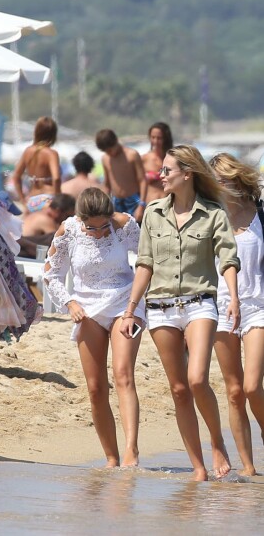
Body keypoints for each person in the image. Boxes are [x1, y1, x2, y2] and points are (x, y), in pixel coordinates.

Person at [120, 144, 240, 481]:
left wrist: (233, 297)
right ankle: (198, 467)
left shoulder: (214, 213)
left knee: (197, 378)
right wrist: (131, 309)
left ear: (187, 173)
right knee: (178, 389)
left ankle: (217, 442)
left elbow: (228, 259)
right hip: (160, 308)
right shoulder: (154, 214)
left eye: (167, 170)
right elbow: (145, 264)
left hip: (201, 302)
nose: (161, 176)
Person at [44, 188, 144, 467]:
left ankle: (130, 451)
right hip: (87, 311)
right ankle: (111, 458)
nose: (100, 232)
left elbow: (149, 259)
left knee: (124, 374)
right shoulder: (69, 230)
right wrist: (70, 303)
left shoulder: (124, 224)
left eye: (104, 226)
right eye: (93, 228)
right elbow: (50, 274)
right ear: (80, 219)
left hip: (127, 306)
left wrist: (136, 304)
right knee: (96, 387)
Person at [209, 153, 264, 476]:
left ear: (237, 179)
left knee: (251, 386)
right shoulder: (208, 217)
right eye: (214, 181)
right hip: (220, 308)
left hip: (257, 306)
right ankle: (248, 468)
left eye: (224, 179)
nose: (219, 186)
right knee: (233, 390)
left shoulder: (259, 214)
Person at [11, 116, 62, 214]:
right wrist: (59, 200)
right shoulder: (51, 153)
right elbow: (56, 178)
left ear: (36, 132)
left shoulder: (28, 151)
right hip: (48, 199)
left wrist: (22, 199)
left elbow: (16, 176)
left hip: (32, 201)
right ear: (53, 134)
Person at [96, 129, 147, 223]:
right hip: (116, 202)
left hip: (134, 200)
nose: (109, 153)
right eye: (106, 151)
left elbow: (142, 180)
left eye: (110, 149)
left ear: (116, 141)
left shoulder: (132, 155)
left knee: (138, 231)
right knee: (119, 233)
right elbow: (107, 184)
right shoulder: (105, 159)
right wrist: (104, 204)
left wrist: (141, 205)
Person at [18, 194, 75, 258]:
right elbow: (57, 243)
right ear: (58, 211)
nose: (66, 219)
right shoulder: (45, 220)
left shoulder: (39, 213)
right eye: (67, 216)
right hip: (23, 254)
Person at [142, 122, 173, 203]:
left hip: (168, 204)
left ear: (166, 139)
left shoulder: (173, 159)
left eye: (159, 138)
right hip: (150, 204)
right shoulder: (145, 159)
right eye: (153, 137)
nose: (155, 141)